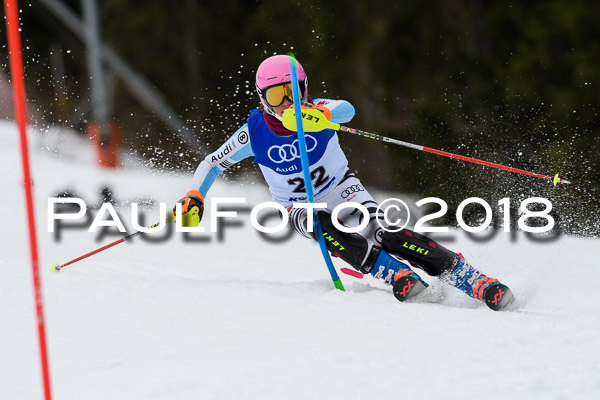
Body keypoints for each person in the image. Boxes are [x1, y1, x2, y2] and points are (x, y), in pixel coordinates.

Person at [174, 54, 514, 311]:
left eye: (294, 92)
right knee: (322, 224)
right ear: (263, 98)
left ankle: (469, 277)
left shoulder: (316, 108)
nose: (288, 102)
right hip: (299, 206)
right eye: (277, 97)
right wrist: (195, 195)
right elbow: (212, 163)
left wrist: (317, 116)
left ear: (306, 89)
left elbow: (346, 110)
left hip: (341, 187)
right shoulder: (254, 132)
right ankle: (390, 272)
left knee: (385, 232)